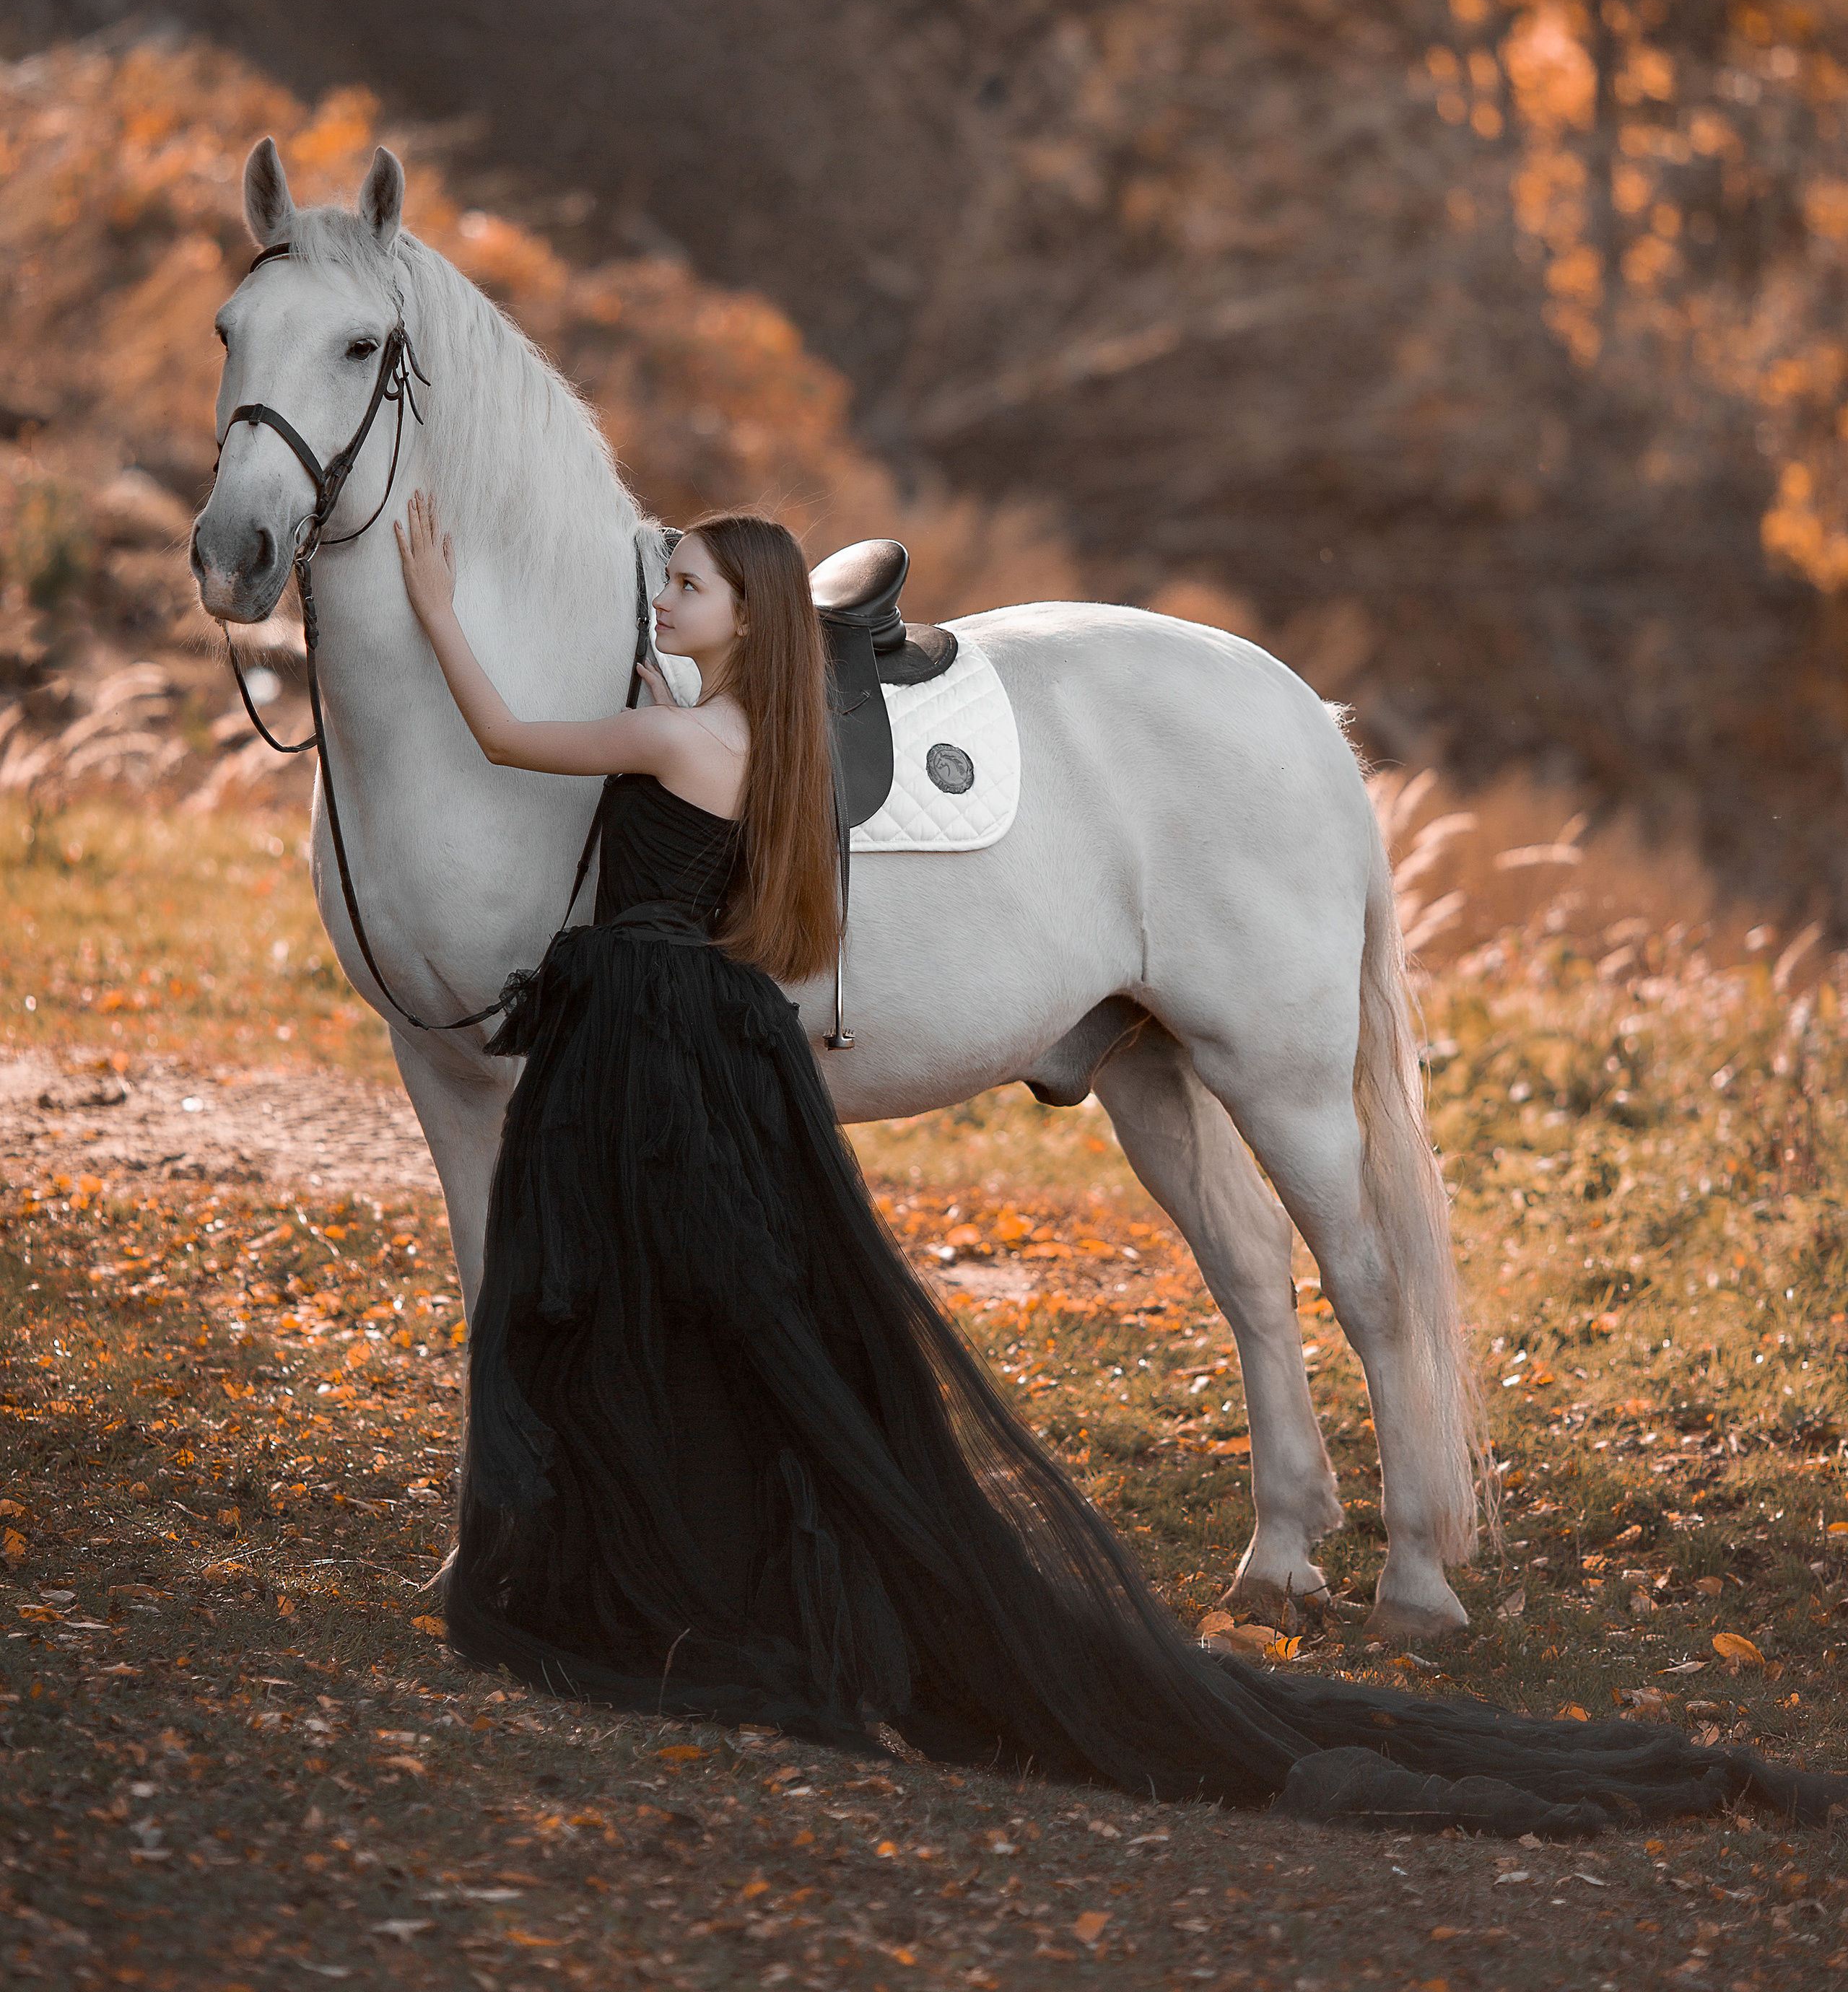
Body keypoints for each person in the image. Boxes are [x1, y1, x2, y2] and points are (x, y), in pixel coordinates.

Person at [394, 496, 1840, 1834]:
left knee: (1324, 1207)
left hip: (645, 1036)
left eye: (685, 577)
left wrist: (437, 604)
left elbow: (512, 734)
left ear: (742, 617)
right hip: (678, 1023)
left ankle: (1417, 1531)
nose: (661, 587)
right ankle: (1303, 1516)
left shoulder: (680, 740)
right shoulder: (734, 737)